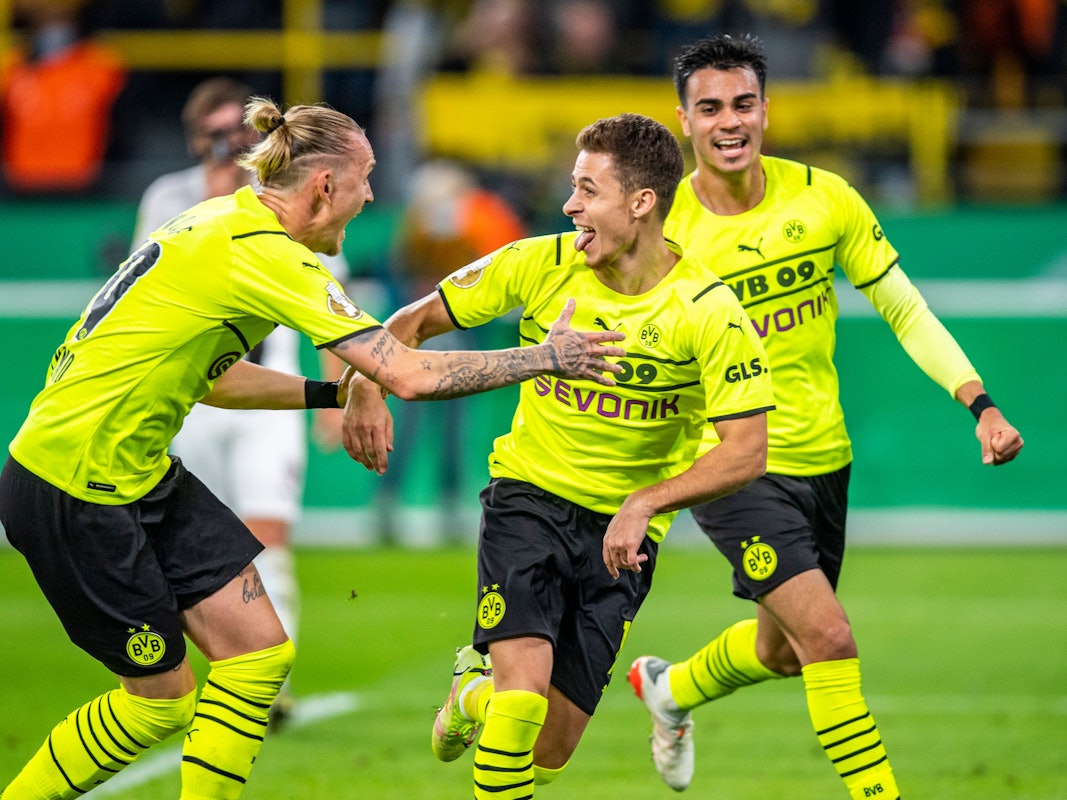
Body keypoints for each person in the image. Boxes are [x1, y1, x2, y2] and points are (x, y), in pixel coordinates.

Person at [0, 96, 625, 800]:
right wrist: (544, 358)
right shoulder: (266, 253)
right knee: (160, 701)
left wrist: (337, 395)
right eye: (365, 180)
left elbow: (216, 379)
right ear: (325, 185)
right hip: (73, 486)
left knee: (259, 653)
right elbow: (410, 373)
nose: (369, 197)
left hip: (134, 474)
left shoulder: (221, 223)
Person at [626, 33, 1025, 799]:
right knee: (829, 638)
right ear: (683, 121)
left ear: (766, 111)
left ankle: (669, 690)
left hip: (823, 456)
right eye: (709, 108)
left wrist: (978, 402)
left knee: (783, 652)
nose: (728, 122)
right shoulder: (663, 229)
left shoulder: (824, 198)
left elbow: (903, 309)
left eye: (742, 104)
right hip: (731, 460)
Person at [342, 113, 776, 800]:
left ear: (640, 203)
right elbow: (409, 322)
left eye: (587, 189)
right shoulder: (537, 262)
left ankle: (469, 695)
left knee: (548, 749)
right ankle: (495, 696)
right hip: (528, 500)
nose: (570, 204)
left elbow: (746, 452)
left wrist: (645, 503)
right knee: (520, 707)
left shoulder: (708, 312)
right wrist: (367, 386)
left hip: (621, 536)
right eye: (572, 187)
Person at [131, 75, 349, 728]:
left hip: (268, 386)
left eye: (240, 133)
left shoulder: (283, 198)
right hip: (194, 396)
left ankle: (268, 684)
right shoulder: (168, 197)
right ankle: (223, 667)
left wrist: (332, 395)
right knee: (193, 544)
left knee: (267, 534)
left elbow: (330, 304)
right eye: (217, 134)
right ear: (197, 138)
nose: (229, 145)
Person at [0, 0, 126, 193]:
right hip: (21, 186)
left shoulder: (100, 64)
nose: (51, 27)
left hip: (84, 184)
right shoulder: (12, 68)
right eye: (42, 20)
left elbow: (120, 122)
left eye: (59, 18)